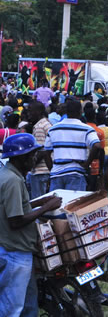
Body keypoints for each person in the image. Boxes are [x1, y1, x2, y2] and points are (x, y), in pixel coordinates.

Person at [0, 133, 63, 317]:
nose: (35, 159)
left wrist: (39, 202)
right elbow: (15, 221)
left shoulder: (9, 174)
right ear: (22, 157)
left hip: (14, 250)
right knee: (12, 308)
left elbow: (14, 206)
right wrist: (46, 207)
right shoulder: (12, 181)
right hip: (15, 252)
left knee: (25, 304)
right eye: (32, 155)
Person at [43, 98, 104, 191]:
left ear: (66, 111)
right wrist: (87, 164)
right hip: (76, 173)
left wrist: (52, 170)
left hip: (56, 174)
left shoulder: (53, 129)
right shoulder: (87, 129)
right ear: (81, 112)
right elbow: (97, 146)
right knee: (74, 205)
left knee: (56, 205)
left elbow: (46, 153)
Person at [26, 101, 51, 198]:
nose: (28, 114)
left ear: (39, 111)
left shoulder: (39, 127)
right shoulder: (47, 124)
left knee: (38, 202)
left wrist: (30, 164)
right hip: (46, 170)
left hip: (40, 171)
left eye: (30, 111)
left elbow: (41, 151)